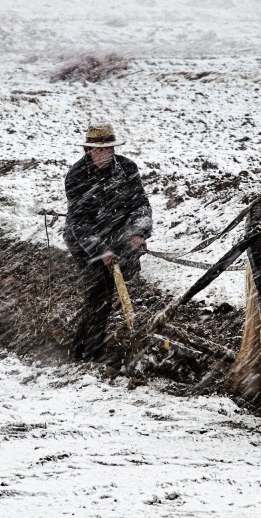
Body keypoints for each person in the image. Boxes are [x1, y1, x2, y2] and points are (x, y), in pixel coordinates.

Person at [64, 124, 153, 361]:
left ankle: (84, 346)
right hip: (86, 242)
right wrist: (100, 250)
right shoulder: (77, 176)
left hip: (118, 235)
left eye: (109, 149)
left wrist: (138, 232)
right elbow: (80, 221)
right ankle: (89, 352)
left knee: (112, 291)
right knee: (99, 292)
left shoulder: (127, 168)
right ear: (88, 150)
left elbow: (140, 204)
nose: (105, 155)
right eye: (98, 150)